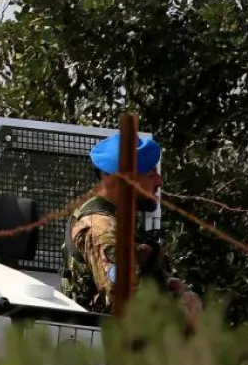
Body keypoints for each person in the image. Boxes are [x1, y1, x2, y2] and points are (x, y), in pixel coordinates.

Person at [61, 131, 203, 328]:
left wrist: (174, 286)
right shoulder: (101, 228)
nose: (159, 182)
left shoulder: (117, 220)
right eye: (151, 174)